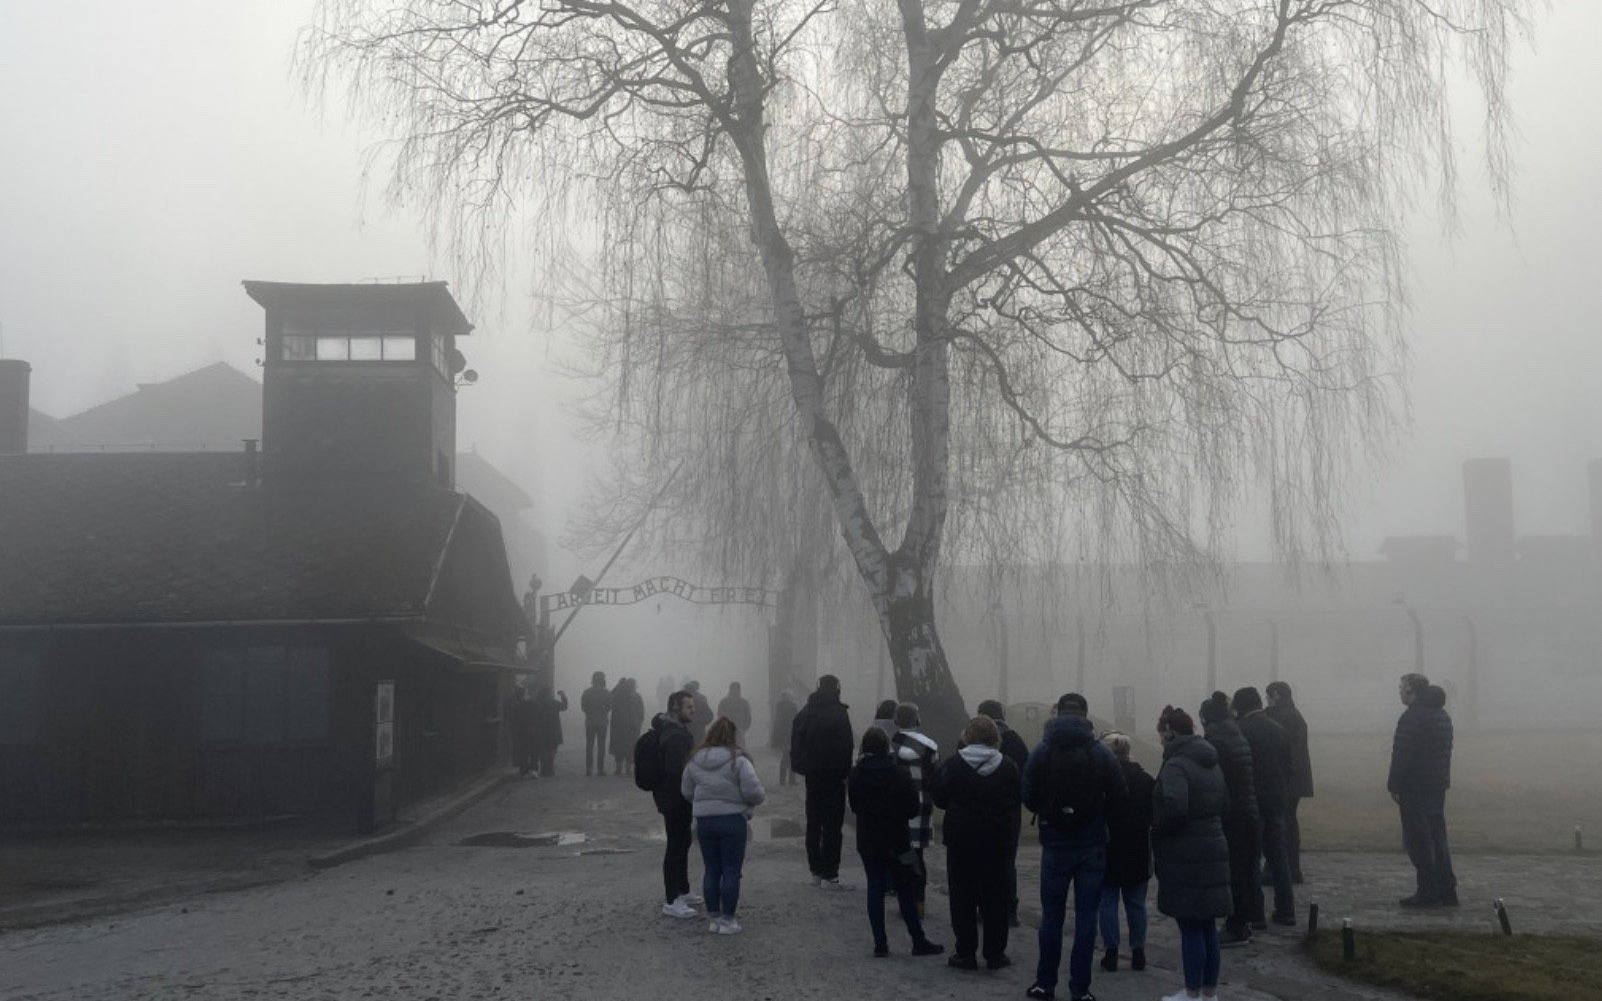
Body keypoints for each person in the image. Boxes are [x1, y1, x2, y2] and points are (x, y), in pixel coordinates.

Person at [1022, 693, 1127, 1001]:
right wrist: (1098, 815)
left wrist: (1048, 812)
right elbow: (1121, 797)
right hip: (1091, 843)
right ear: (1085, 715)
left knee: (1051, 916)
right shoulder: (1101, 753)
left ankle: (1045, 984)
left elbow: (1026, 794)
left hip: (1055, 842)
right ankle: (1080, 990)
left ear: (1058, 713)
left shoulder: (1042, 750)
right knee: (1086, 917)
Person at [1152, 706, 1232, 1001]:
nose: (1160, 739)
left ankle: (1192, 992)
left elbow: (1175, 807)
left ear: (1170, 732)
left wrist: (1156, 829)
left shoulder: (1175, 766)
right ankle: (1209, 994)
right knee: (1208, 925)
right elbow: (1226, 805)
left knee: (1189, 926)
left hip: (1185, 852)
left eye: (1161, 733)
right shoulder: (1211, 762)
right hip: (1213, 845)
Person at [932, 715, 1020, 972]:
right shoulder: (1008, 766)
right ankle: (995, 953)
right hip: (996, 839)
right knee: (995, 897)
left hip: (961, 838)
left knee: (962, 897)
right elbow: (1015, 798)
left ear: (967, 735)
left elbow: (940, 798)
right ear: (995, 737)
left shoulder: (954, 764)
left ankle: (965, 952)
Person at [848, 726, 945, 959]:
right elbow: (912, 808)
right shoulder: (899, 773)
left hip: (869, 839)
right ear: (886, 747)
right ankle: (917, 940)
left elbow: (854, 807)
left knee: (875, 887)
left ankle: (880, 943)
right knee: (905, 889)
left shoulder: (856, 774)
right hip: (898, 839)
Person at [681, 716, 767, 934]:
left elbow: (687, 792)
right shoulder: (739, 761)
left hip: (705, 822)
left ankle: (714, 918)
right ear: (734, 736)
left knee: (712, 869)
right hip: (732, 821)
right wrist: (754, 800)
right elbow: (752, 791)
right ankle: (728, 920)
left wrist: (704, 803)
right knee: (731, 870)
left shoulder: (694, 761)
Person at [1388, 676, 1457, 907]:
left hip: (1414, 786)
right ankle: (1447, 889)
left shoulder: (1413, 717)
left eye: (1401, 687)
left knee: (1418, 840)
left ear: (1411, 689)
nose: (1398, 692)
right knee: (1438, 837)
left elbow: (1402, 754)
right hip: (1436, 785)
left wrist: (1394, 785)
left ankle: (1427, 891)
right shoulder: (1441, 715)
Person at [1198, 691, 1258, 946]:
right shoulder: (1234, 734)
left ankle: (1236, 925)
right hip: (1246, 810)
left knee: (1236, 871)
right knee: (1244, 869)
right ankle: (1243, 921)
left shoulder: (1217, 741)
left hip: (1233, 814)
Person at [1233, 686, 1295, 926]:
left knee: (1250, 858)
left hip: (1252, 802)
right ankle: (1286, 910)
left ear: (1240, 707)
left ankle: (1255, 914)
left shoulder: (1241, 731)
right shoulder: (1279, 730)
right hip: (1277, 801)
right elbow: (1289, 767)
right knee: (1278, 857)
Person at [1098, 731, 1154, 974]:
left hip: (1108, 846)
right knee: (1136, 904)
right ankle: (1138, 952)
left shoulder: (1101, 780)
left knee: (1107, 902)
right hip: (1138, 846)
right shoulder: (1145, 779)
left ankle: (1111, 952)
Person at [791, 674, 855, 888]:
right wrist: (846, 774)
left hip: (812, 776)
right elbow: (847, 747)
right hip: (834, 777)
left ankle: (816, 871)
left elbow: (796, 742)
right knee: (832, 826)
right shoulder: (838, 713)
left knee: (814, 822)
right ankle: (830, 874)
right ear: (837, 688)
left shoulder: (806, 712)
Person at [978, 699, 1030, 927]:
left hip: (977, 809)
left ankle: (983, 906)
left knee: (979, 861)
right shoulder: (1015, 740)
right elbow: (1026, 773)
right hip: (1008, 810)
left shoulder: (969, 741)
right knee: (1007, 862)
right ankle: (1009, 910)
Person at [651, 690, 702, 918]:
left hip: (674, 798)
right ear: (675, 707)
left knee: (682, 844)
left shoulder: (675, 731)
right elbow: (676, 771)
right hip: (675, 799)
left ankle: (683, 890)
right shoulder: (675, 736)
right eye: (688, 707)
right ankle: (672, 900)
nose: (693, 710)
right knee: (675, 847)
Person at [891, 702, 939, 916]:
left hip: (896, 806)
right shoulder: (930, 745)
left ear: (896, 721)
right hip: (921, 804)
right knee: (917, 854)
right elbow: (935, 777)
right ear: (917, 720)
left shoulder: (890, 744)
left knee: (900, 853)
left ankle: (904, 900)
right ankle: (919, 901)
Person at [1264, 681, 1313, 883]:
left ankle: (1286, 869)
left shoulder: (1286, 717)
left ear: (1276, 695)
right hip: (1293, 780)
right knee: (1287, 823)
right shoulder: (1291, 715)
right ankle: (1289, 868)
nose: (1266, 699)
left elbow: (1287, 752)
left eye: (1268, 696)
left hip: (1287, 781)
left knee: (1283, 825)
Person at [580, 671, 614, 778]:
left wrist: (590, 713)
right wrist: (602, 712)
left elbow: (583, 707)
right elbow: (609, 706)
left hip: (590, 722)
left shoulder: (587, 692)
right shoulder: (606, 693)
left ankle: (588, 769)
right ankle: (600, 769)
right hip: (602, 722)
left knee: (589, 746)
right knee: (601, 746)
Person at [609, 678, 645, 777]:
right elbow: (641, 712)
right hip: (633, 727)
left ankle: (618, 769)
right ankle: (628, 769)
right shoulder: (637, 696)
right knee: (631, 748)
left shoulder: (618, 695)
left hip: (618, 726)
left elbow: (609, 700)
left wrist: (618, 686)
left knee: (619, 747)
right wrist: (638, 724)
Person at [529, 686, 568, 777]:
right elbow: (564, 706)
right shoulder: (553, 703)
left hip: (541, 731)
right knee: (552, 751)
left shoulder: (536, 704)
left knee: (543, 751)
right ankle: (549, 770)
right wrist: (563, 695)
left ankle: (543, 770)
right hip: (553, 731)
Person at [771, 690, 799, 786]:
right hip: (791, 735)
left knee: (786, 757)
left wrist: (775, 738)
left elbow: (777, 724)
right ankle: (791, 780)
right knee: (791, 758)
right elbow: (796, 721)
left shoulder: (779, 707)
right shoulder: (792, 707)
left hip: (784, 736)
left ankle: (782, 780)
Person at [508, 686, 537, 778]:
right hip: (531, 731)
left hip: (521, 732)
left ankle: (524, 771)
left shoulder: (516, 705)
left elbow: (513, 719)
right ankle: (532, 770)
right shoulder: (531, 704)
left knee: (524, 753)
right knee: (533, 752)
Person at [685, 680, 714, 745]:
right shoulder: (679, 704)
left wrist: (699, 722)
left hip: (697, 733)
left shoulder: (700, 702)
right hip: (688, 733)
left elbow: (709, 715)